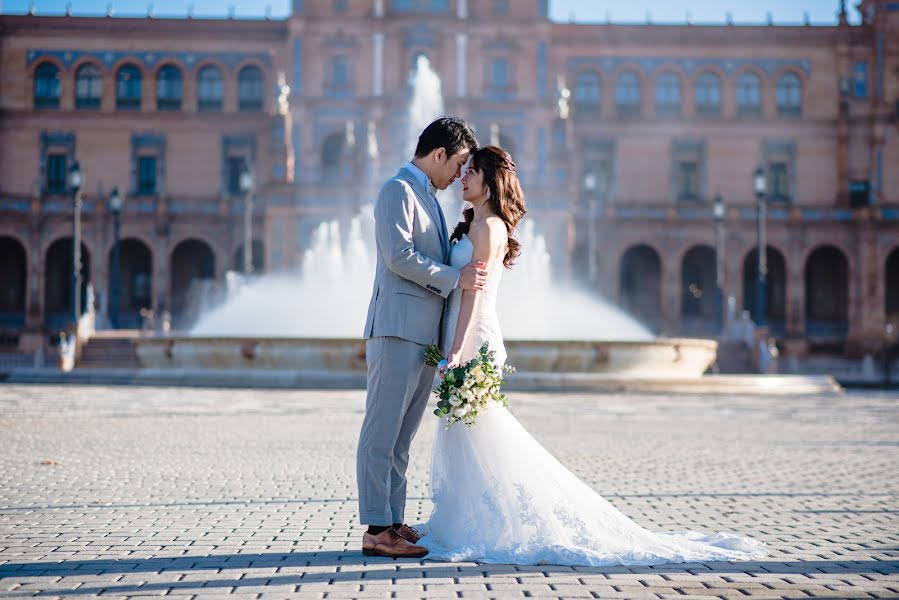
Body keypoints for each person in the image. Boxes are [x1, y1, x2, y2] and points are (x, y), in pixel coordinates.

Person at [416, 145, 768, 566]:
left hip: (472, 335)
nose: (463, 178)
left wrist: (456, 348)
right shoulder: (475, 224)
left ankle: (491, 519)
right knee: (470, 428)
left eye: (472, 172)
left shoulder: (489, 228)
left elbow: (474, 293)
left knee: (479, 425)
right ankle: (470, 517)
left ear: (491, 182)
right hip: (465, 330)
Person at [356, 117, 488, 559]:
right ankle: (376, 530)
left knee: (401, 437)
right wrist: (456, 277)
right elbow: (398, 257)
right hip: (395, 329)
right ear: (438, 155)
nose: (459, 175)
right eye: (459, 164)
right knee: (381, 432)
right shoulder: (397, 190)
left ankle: (392, 520)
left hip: (421, 336)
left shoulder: (427, 197)